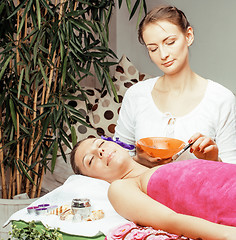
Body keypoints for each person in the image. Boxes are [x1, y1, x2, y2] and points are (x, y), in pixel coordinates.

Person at [114, 5, 236, 166]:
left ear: (189, 36)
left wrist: (214, 160)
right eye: (153, 48)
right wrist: (138, 159)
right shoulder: (136, 95)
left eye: (170, 42)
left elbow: (231, 173)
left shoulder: (221, 99)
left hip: (197, 190)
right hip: (139, 189)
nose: (163, 55)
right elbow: (117, 156)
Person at [70, 137, 236, 240]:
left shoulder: (168, 165)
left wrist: (212, 160)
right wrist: (227, 235)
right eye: (90, 160)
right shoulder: (121, 187)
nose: (100, 151)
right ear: (92, 180)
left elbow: (206, 186)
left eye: (100, 143)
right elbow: (171, 220)